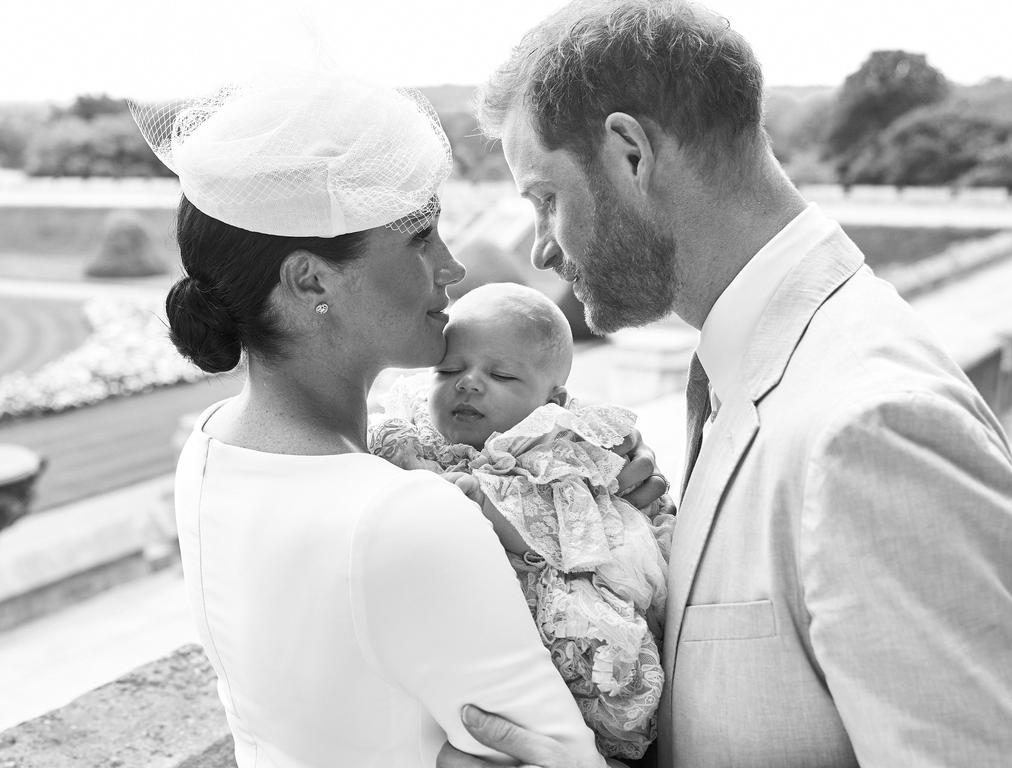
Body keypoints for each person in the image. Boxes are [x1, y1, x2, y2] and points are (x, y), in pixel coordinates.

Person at [437, 2, 1012, 767]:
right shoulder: (752, 365)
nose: (541, 250)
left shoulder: (872, 428)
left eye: (546, 199)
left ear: (630, 155)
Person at [130, 72, 666, 768]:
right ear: (310, 279)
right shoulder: (410, 513)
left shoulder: (208, 449)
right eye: (420, 238)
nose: (451, 266)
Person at [369, 282, 675, 759]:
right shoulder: (415, 430)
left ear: (552, 399)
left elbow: (554, 528)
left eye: (503, 376)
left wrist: (476, 501)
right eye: (448, 369)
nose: (468, 382)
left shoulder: (552, 448)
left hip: (554, 598)